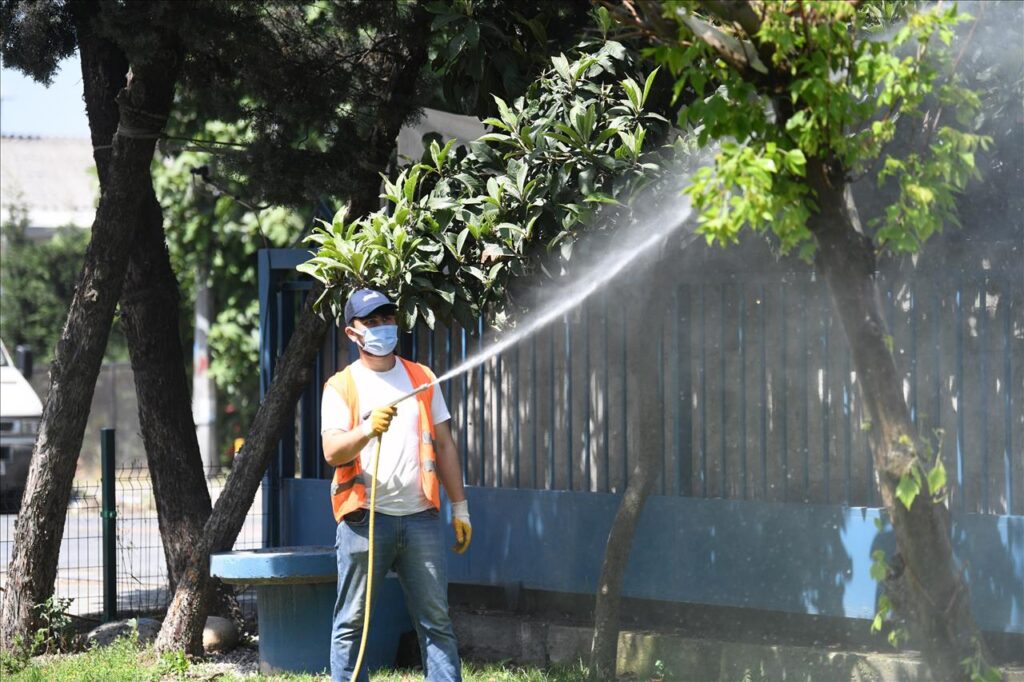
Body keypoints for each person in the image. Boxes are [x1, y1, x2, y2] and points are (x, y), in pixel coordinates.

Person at [321, 288, 471, 682]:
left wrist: (461, 506)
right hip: (364, 521)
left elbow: (444, 444)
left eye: (386, 319)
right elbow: (333, 451)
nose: (382, 328)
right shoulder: (342, 386)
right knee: (352, 623)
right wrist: (367, 429)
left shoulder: (422, 377)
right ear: (352, 334)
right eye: (371, 322)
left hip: (420, 518)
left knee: (436, 621)